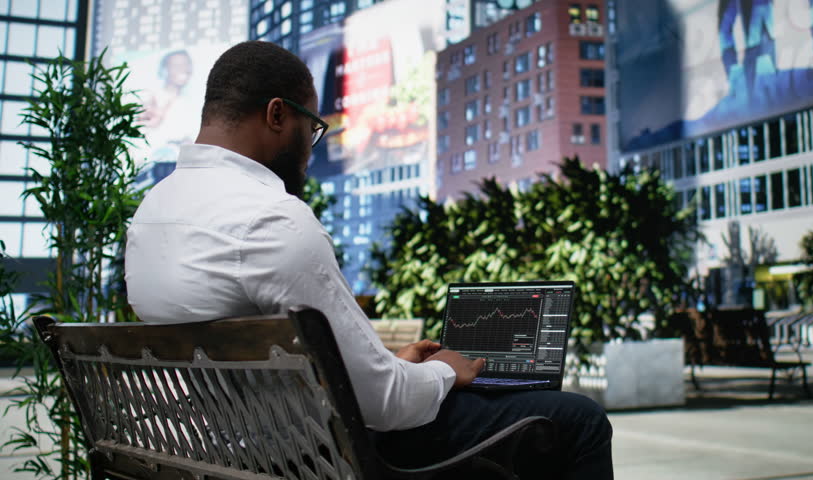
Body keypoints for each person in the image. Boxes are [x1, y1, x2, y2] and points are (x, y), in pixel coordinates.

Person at [125, 41, 612, 479]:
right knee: (579, 419)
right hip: (310, 455)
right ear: (277, 115)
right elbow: (381, 404)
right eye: (312, 127)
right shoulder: (270, 219)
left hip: (215, 448)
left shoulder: (151, 213)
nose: (310, 151)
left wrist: (389, 364)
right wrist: (447, 371)